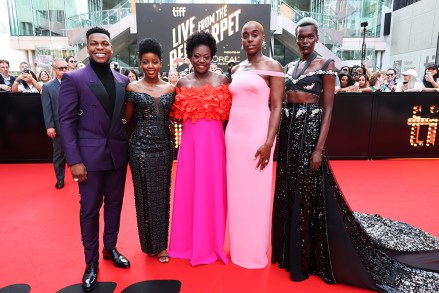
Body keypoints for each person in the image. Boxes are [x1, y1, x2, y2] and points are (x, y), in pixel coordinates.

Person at [271, 17, 439, 292]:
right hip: (290, 136)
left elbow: (328, 110)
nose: (303, 41)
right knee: (289, 192)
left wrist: (319, 149)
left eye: (309, 37)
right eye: (300, 37)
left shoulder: (326, 65)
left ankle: (305, 258)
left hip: (310, 134)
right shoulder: (289, 66)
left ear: (316, 39)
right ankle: (289, 253)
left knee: (306, 195)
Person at [58, 27, 130, 291]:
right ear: (87, 48)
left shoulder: (122, 81)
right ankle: (91, 262)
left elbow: (123, 118)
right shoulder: (74, 79)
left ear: (112, 48)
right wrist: (74, 160)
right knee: (89, 211)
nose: (100, 48)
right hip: (87, 159)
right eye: (94, 44)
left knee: (115, 205)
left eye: (105, 44)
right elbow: (65, 121)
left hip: (117, 157)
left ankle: (110, 247)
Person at [169, 31, 231, 266]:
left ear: (212, 56)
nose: (202, 61)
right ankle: (186, 244)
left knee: (212, 192)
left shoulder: (223, 81)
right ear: (189, 57)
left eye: (206, 56)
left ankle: (212, 244)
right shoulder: (182, 83)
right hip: (190, 149)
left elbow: (234, 116)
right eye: (197, 56)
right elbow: (173, 117)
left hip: (215, 148)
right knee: (189, 192)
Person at [225, 21, 284, 269]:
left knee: (257, 195)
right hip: (234, 138)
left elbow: (278, 106)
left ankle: (255, 252)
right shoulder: (237, 68)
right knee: (237, 195)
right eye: (245, 35)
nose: (250, 39)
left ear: (263, 39)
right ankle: (238, 249)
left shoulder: (273, 67)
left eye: (255, 35)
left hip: (258, 137)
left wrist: (269, 142)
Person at [125, 38, 175, 263]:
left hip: (164, 148)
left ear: (161, 63)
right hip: (140, 149)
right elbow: (127, 119)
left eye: (154, 62)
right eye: (145, 62)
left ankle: (162, 245)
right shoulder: (132, 88)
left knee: (162, 195)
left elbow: (172, 118)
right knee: (144, 196)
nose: (150, 66)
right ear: (140, 64)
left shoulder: (170, 88)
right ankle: (149, 245)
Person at [41, 58, 68, 189]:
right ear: (54, 69)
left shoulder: (75, 83)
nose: (64, 70)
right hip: (58, 126)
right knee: (59, 155)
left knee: (80, 152)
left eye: (65, 67)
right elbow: (47, 108)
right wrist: (49, 126)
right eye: (60, 68)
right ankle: (60, 178)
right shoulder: (47, 87)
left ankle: (80, 175)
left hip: (77, 126)